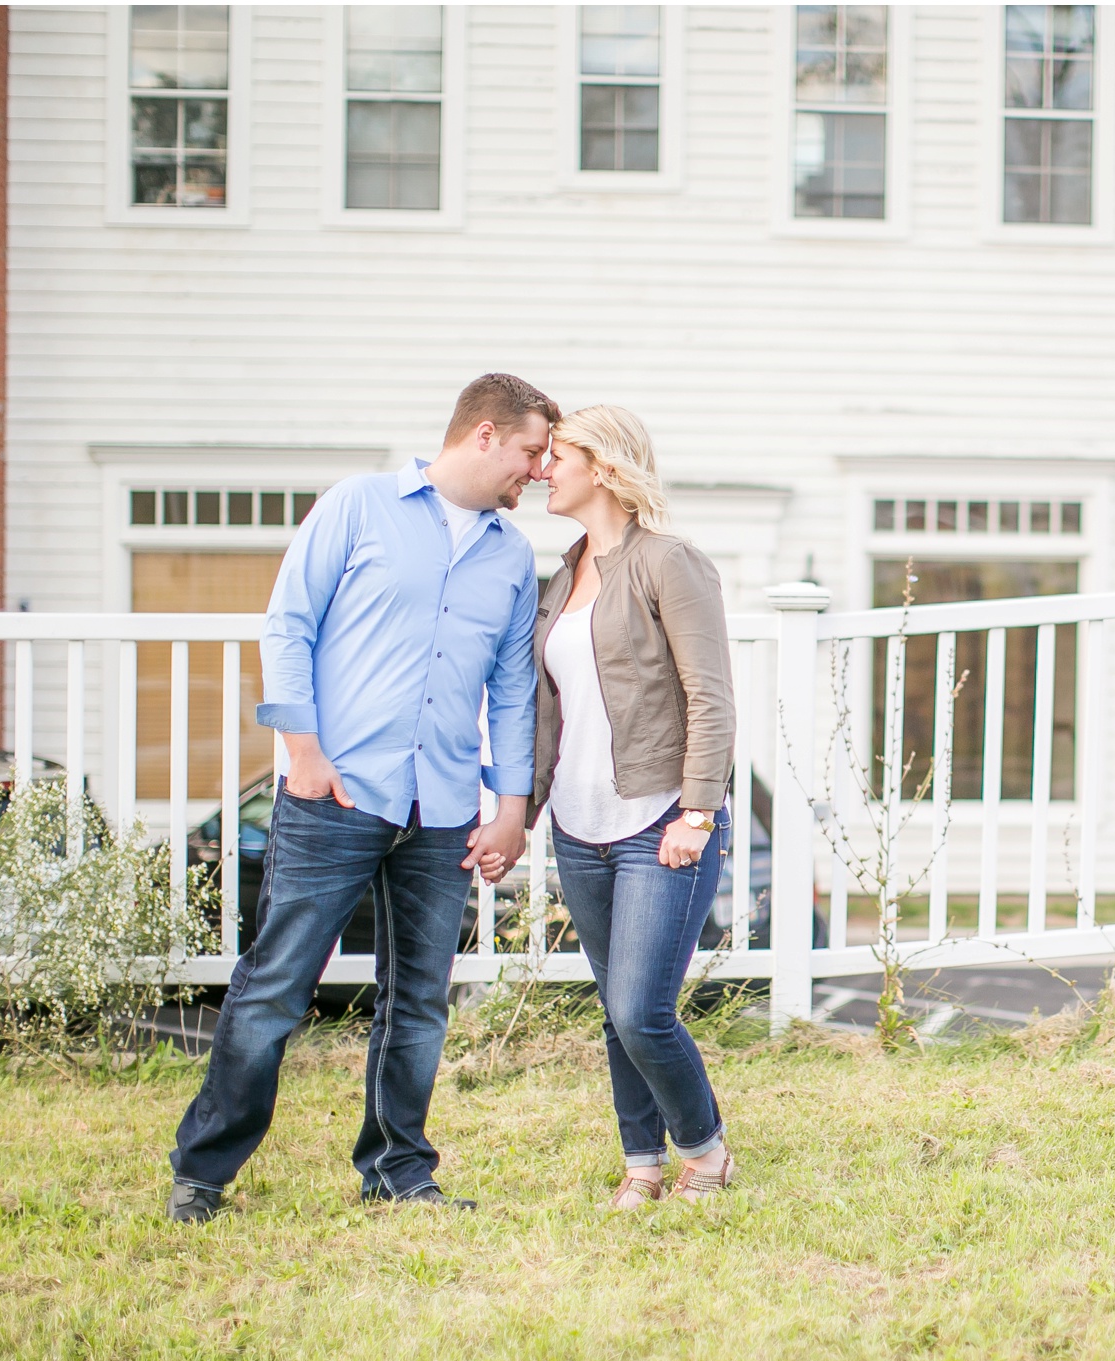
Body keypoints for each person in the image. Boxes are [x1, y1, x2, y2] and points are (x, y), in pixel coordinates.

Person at [167, 374, 557, 1222]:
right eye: (531, 453)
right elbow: (288, 623)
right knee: (275, 984)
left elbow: (513, 687)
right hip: (334, 790)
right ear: (484, 436)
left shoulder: (510, 557)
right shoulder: (359, 505)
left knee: (417, 999)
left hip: (445, 806)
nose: (540, 472)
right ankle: (202, 1173)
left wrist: (512, 805)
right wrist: (301, 752)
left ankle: (399, 1171)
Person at [532, 404, 737, 1208]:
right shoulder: (564, 573)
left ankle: (708, 1151)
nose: (546, 468)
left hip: (658, 820)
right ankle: (643, 1164)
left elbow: (710, 696)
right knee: (616, 1011)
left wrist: (697, 812)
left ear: (605, 467)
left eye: (561, 455)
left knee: (639, 1007)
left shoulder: (669, 561)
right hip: (579, 828)